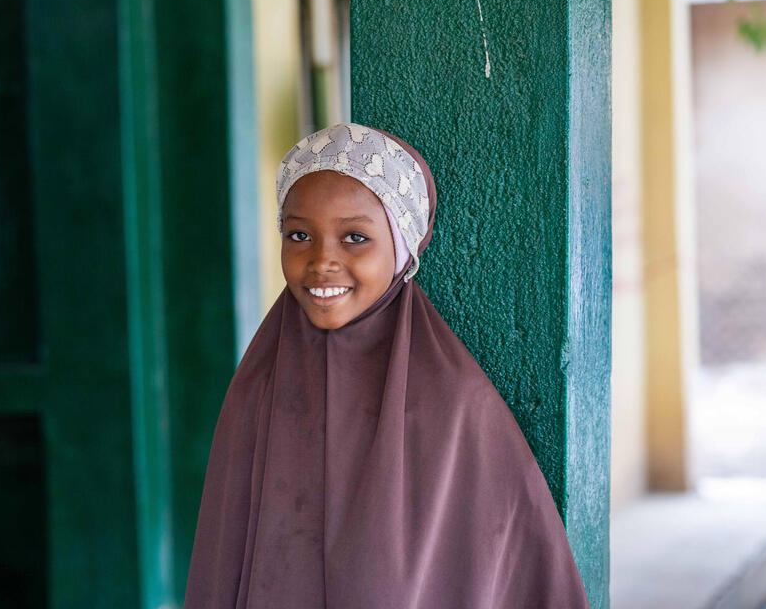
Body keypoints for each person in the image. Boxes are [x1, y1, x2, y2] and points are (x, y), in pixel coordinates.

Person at [183, 123, 590, 608]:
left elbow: (513, 573)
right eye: (299, 235)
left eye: (355, 237)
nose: (321, 262)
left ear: (401, 249)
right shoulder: (258, 388)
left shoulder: (455, 405)